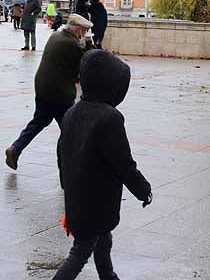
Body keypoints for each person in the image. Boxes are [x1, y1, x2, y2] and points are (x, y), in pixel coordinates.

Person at [53, 50, 152, 280]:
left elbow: (61, 153)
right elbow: (123, 163)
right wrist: (142, 189)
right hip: (97, 200)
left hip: (78, 196)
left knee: (102, 240)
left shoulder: (71, 112)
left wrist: (67, 185)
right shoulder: (110, 118)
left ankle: (108, 276)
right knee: (81, 251)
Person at [5, 13, 93, 170]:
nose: (85, 34)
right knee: (70, 127)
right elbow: (86, 64)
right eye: (84, 31)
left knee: (40, 120)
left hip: (44, 87)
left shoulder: (56, 36)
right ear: (78, 30)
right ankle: (71, 166)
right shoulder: (70, 44)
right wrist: (89, 46)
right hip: (59, 93)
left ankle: (15, 149)